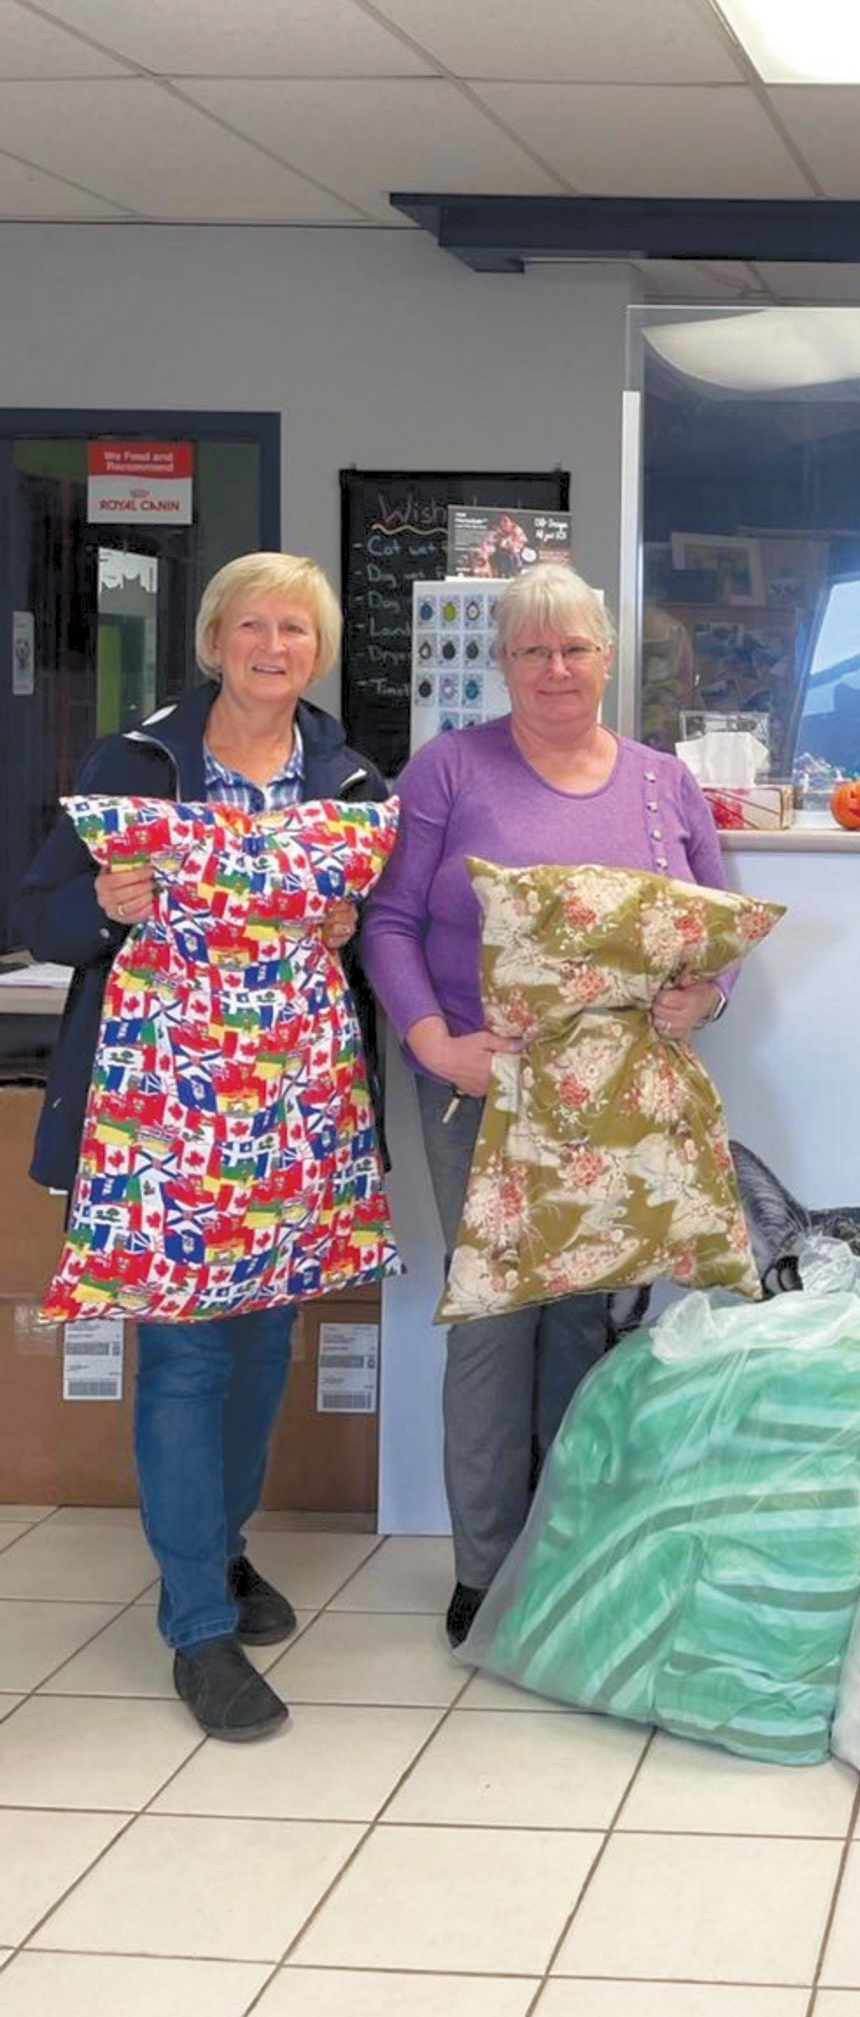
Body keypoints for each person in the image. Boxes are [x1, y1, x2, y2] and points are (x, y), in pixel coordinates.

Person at [18, 552, 387, 1742]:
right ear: (213, 638)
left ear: (315, 651)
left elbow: (373, 920)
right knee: (184, 1357)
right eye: (249, 625)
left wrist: (349, 921)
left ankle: (221, 1550)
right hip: (164, 1107)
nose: (271, 646)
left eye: (294, 628)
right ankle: (194, 1627)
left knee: (267, 1334)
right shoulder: (138, 762)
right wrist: (105, 906)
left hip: (289, 1102)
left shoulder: (349, 773)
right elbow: (45, 913)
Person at [362, 562, 735, 1649]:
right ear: (503, 663)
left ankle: (563, 1544)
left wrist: (699, 996)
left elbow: (713, 933)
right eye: (533, 650)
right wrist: (436, 1041)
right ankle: (485, 1570)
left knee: (587, 1312)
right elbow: (387, 921)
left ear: (608, 658)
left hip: (618, 1094)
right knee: (493, 1317)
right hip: (480, 1083)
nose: (557, 668)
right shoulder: (445, 770)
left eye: (575, 648)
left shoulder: (664, 783)